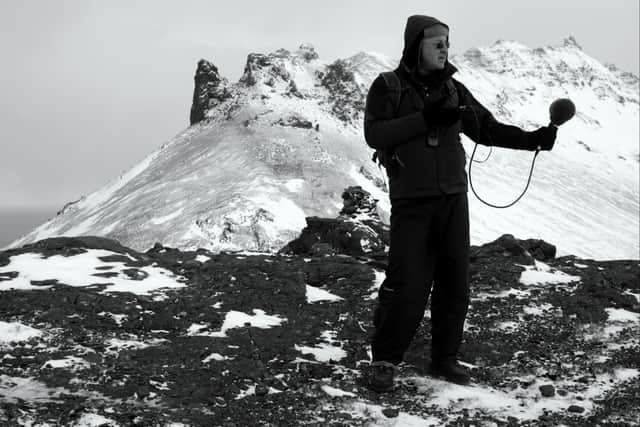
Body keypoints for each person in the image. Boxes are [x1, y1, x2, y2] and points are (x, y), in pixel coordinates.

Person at [363, 15, 557, 392]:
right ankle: (385, 359)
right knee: (407, 283)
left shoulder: (454, 90)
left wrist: (533, 139)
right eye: (436, 42)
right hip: (412, 202)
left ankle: (444, 358)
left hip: (453, 199)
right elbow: (375, 134)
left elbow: (486, 128)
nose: (444, 49)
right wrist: (424, 119)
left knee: (455, 284)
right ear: (414, 44)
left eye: (447, 42)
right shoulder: (387, 87)